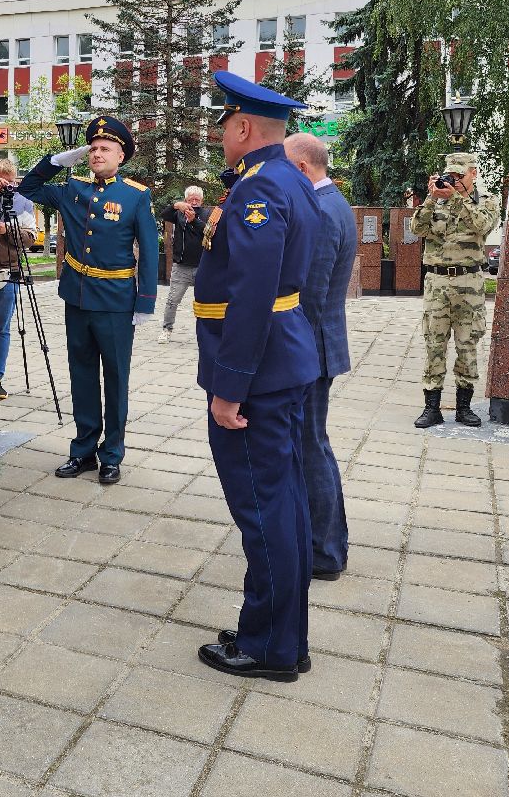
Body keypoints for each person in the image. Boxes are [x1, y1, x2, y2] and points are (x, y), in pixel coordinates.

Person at [194, 71, 321, 682]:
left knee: (264, 510)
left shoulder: (258, 191)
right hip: (284, 365)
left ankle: (267, 646)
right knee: (285, 502)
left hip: (257, 377)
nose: (221, 137)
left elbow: (251, 296)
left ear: (244, 127)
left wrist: (229, 387)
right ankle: (280, 634)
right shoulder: (289, 181)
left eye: (224, 126)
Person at [19, 116, 158, 484]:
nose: (97, 153)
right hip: (77, 300)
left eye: (105, 148)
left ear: (121, 155)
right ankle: (82, 451)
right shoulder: (72, 189)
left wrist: (145, 301)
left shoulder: (135, 195)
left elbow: (150, 249)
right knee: (81, 377)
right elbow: (29, 187)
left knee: (114, 379)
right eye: (93, 148)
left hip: (115, 302)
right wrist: (61, 159)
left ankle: (111, 454)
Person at [284, 132, 357, 579]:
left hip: (311, 348)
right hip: (317, 346)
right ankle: (327, 543)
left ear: (303, 168)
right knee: (314, 444)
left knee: (311, 447)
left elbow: (309, 295)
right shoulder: (332, 202)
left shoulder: (323, 210)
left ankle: (326, 553)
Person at [409, 151, 499, 428]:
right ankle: (431, 407)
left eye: (461, 175)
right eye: (452, 175)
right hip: (436, 283)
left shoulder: (486, 202)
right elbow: (416, 228)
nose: (455, 180)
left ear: (474, 173)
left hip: (468, 284)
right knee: (434, 344)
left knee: (467, 345)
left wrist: (457, 199)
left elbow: (483, 225)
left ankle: (464, 407)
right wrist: (430, 197)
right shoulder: (437, 201)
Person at [0, 159, 37, 399]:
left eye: (6, 183)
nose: (1, 187)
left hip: (7, 274)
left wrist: (8, 230)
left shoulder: (22, 203)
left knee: (1, 329)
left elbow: (31, 237)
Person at [158, 186, 213, 343]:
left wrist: (194, 220)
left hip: (203, 266)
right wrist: (176, 205)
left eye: (197, 199)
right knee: (172, 300)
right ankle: (166, 329)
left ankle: (206, 333)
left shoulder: (207, 214)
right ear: (185, 200)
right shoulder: (179, 213)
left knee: (205, 302)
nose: (194, 202)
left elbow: (209, 232)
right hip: (181, 267)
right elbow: (164, 214)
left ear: (201, 201)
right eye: (190, 200)